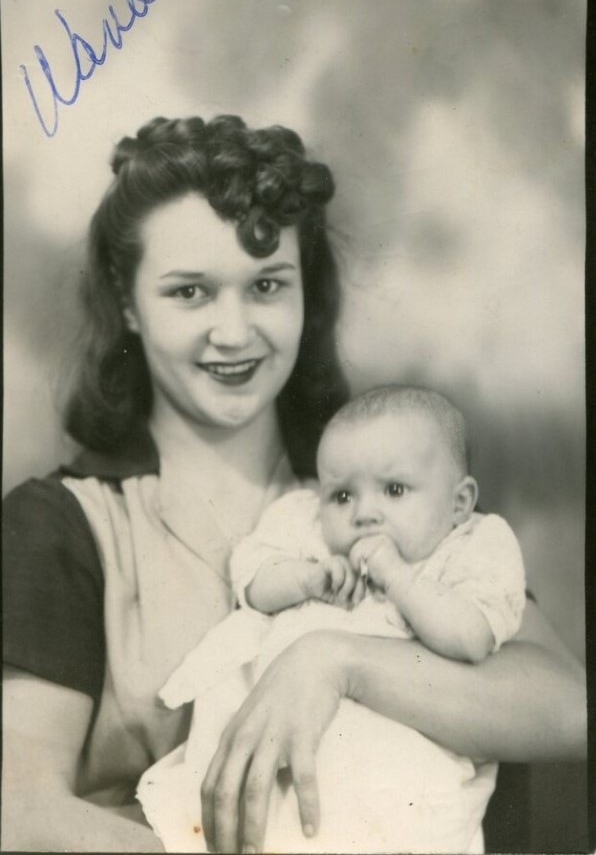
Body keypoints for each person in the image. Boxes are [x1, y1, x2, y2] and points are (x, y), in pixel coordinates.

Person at [1, 116, 586, 855]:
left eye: (268, 285)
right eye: (190, 293)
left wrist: (336, 662)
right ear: (126, 303)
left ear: (306, 292)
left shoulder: (381, 496)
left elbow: (567, 705)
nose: (235, 331)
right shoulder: (64, 525)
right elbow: (16, 808)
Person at [137, 386, 526, 853]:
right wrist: (307, 579)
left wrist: (398, 578)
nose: (363, 514)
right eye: (341, 495)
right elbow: (252, 583)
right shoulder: (309, 531)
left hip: (400, 765)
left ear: (460, 503)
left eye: (394, 490)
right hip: (279, 745)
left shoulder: (469, 546)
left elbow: (472, 637)